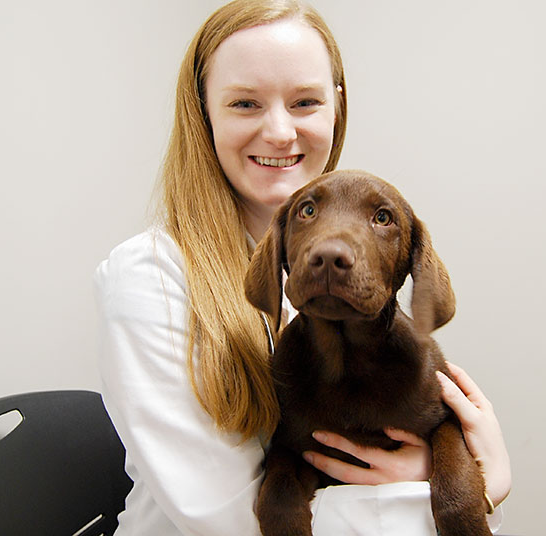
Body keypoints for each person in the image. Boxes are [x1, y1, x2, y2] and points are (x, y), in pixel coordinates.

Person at [94, 1, 511, 534]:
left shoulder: (323, 281)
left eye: (304, 102)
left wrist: (447, 469)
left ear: (336, 109)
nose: (280, 132)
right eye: (245, 103)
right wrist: (474, 486)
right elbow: (229, 520)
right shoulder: (149, 278)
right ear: (203, 113)